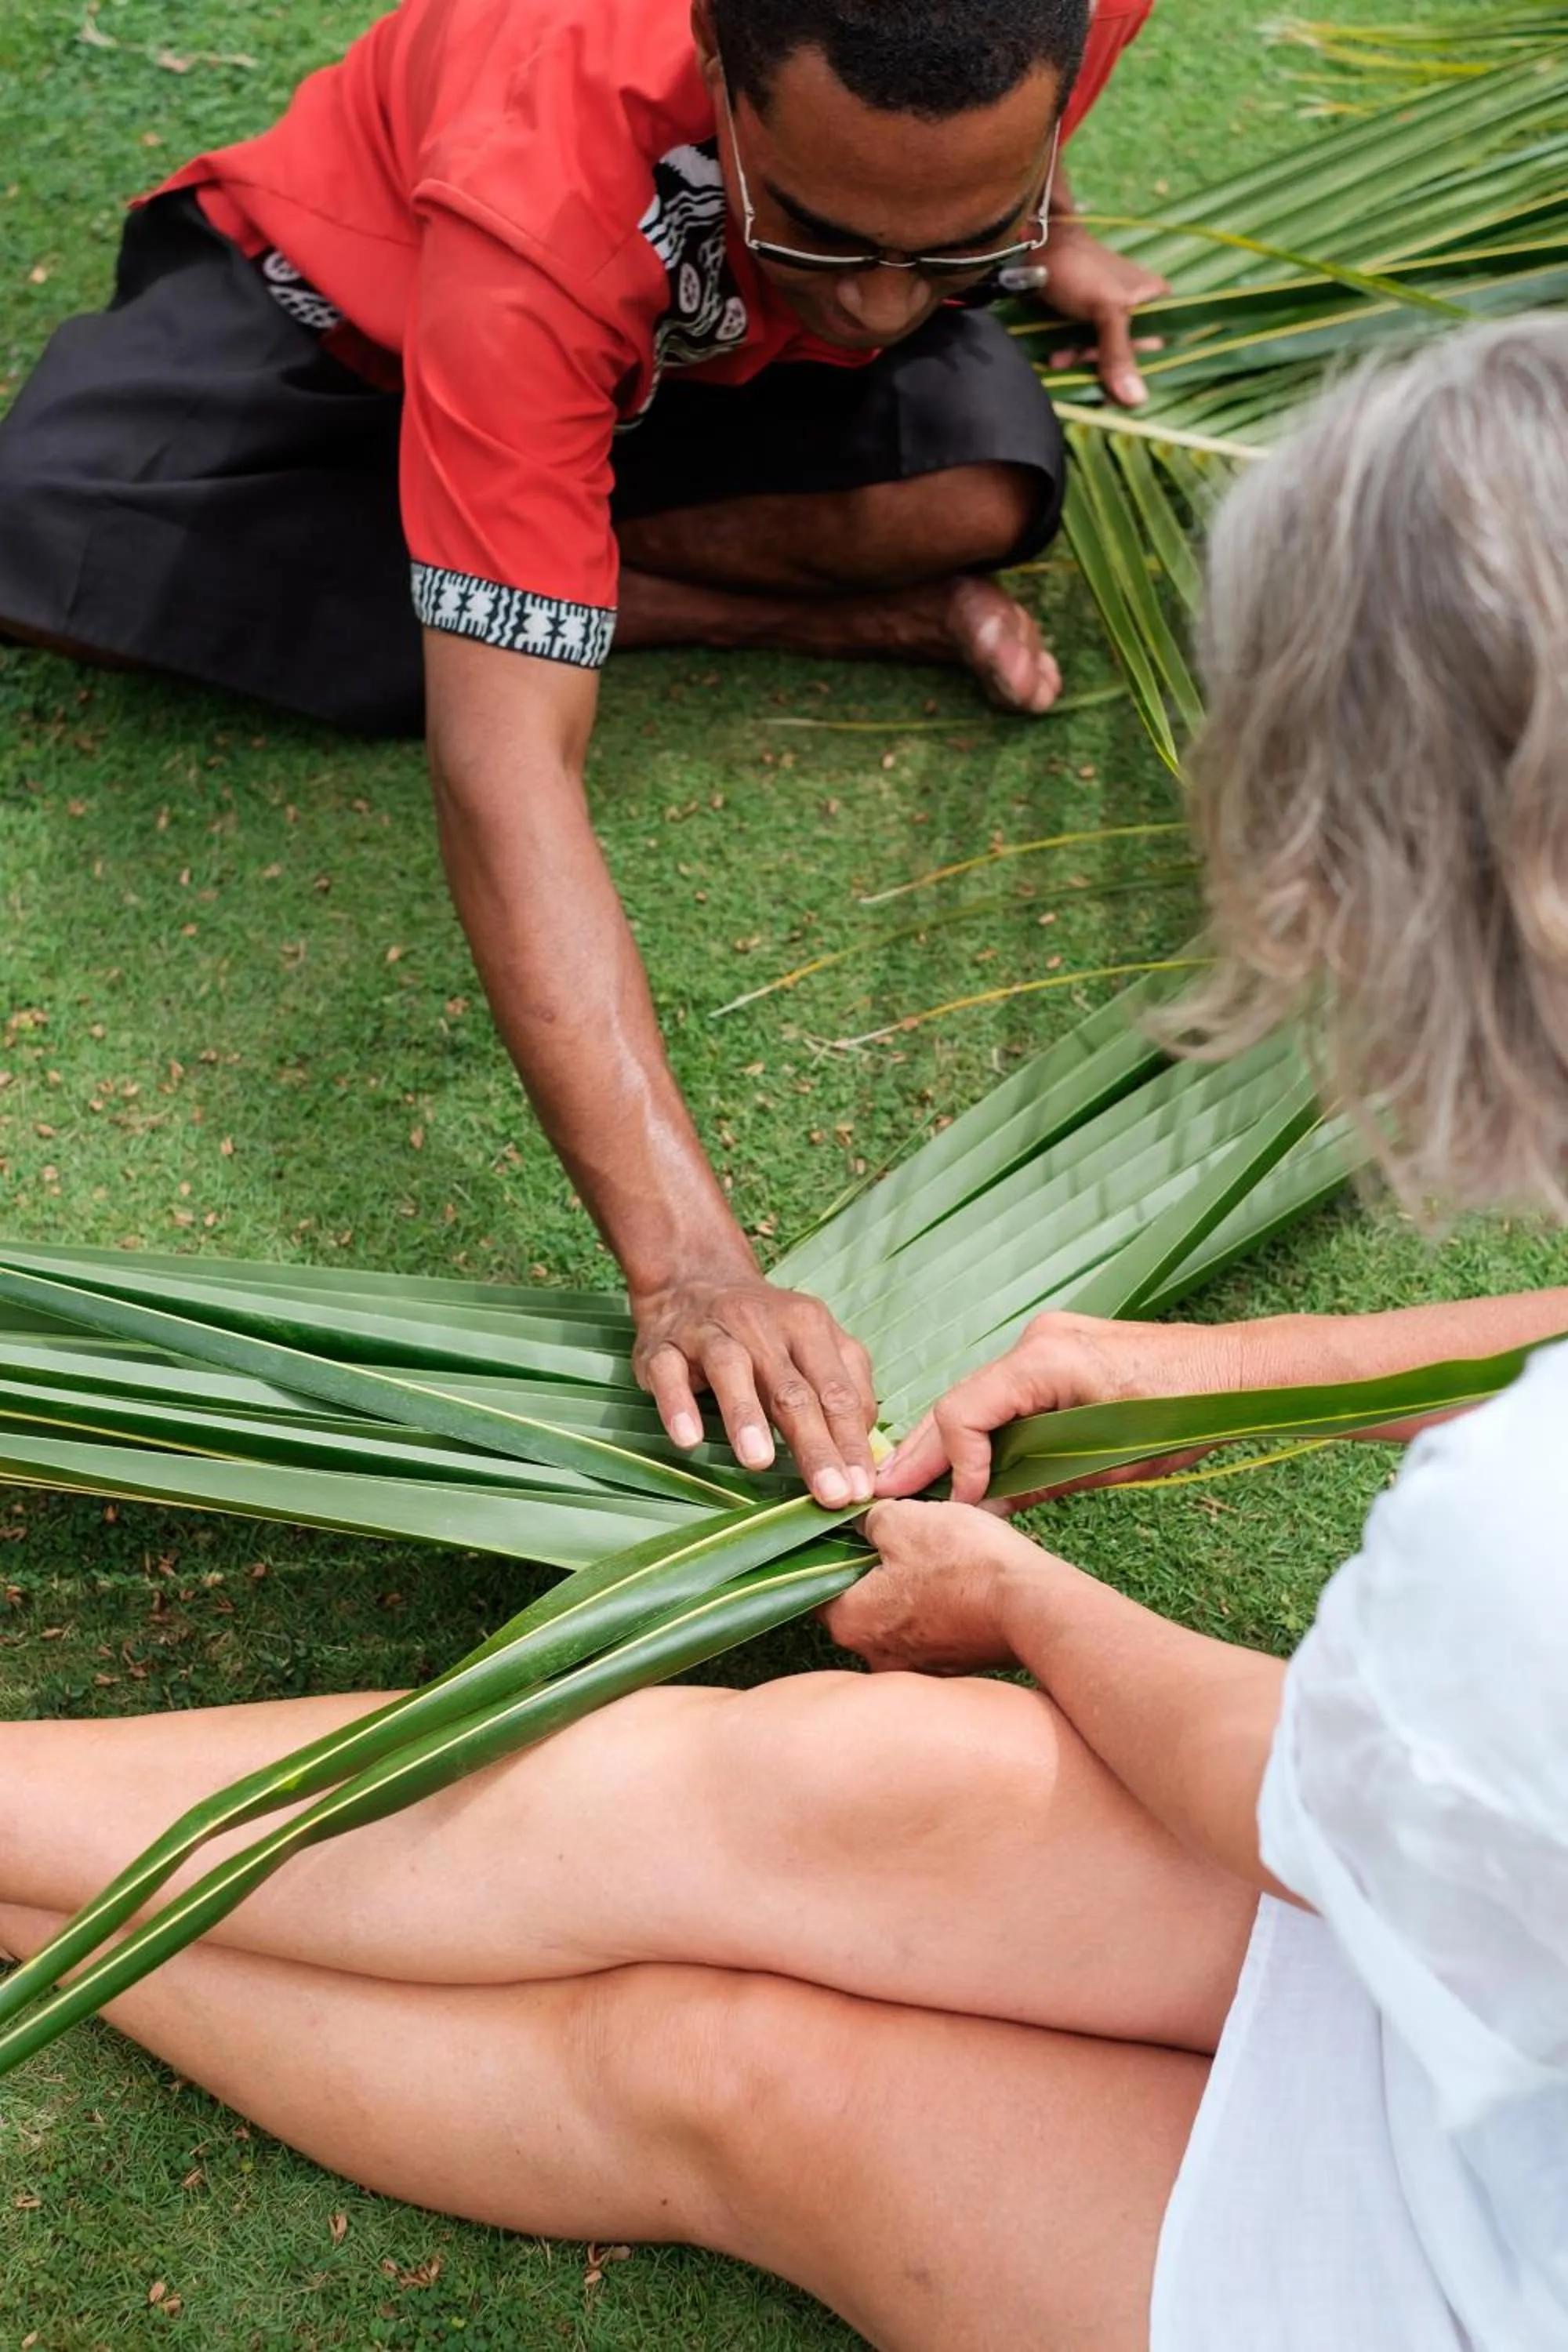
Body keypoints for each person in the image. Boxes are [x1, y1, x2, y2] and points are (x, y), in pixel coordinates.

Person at [5, 321, 1566, 2352]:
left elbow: (1284, 1800)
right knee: (844, 1784)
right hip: (1510, 1922)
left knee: (719, 2075)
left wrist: (1027, 1600)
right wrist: (1220, 1366)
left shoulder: (1511, 1540)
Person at [0, 0, 1163, 1513]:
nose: (885, 310)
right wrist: (692, 1268)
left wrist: (1045, 235)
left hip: (698, 351)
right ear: (715, 62)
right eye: (826, 229)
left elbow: (900, 249)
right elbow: (505, 775)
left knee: (980, 494)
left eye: (950, 247)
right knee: (47, 534)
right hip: (354, 328)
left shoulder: (1055, 28)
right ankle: (698, 597)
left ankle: (539, 567)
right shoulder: (533, 201)